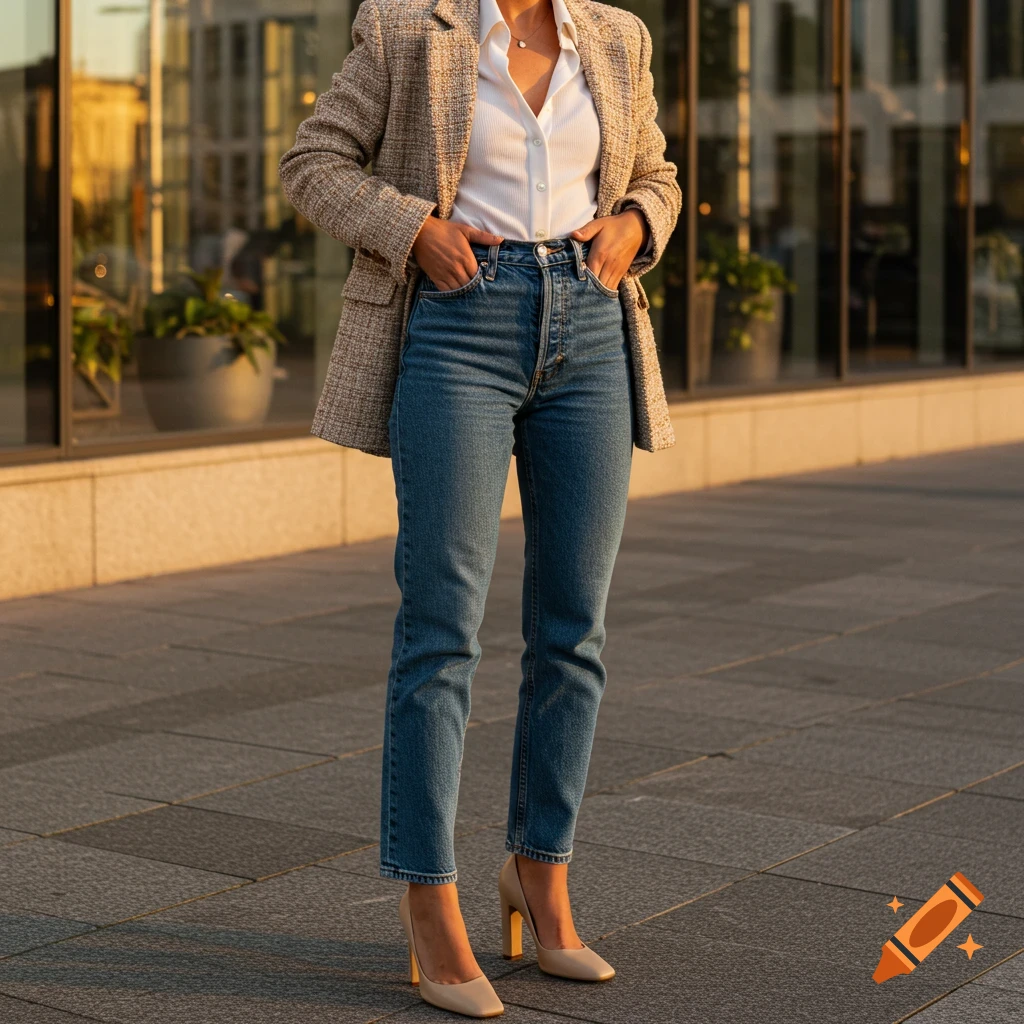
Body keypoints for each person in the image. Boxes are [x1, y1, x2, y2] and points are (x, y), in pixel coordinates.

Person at [279, 0, 680, 1016]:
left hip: (590, 325)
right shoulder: (408, 27)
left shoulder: (616, 35)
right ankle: (429, 899)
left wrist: (636, 224)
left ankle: (540, 873)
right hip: (462, 325)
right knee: (441, 630)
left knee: (574, 631)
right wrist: (413, 229)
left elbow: (657, 174)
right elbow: (312, 164)